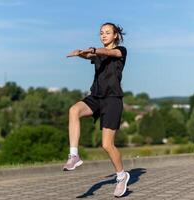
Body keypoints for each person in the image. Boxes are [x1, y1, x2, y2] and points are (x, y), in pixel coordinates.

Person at [64, 22, 130, 197]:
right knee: (73, 110)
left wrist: (92, 50)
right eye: (101, 33)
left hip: (112, 100)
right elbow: (90, 56)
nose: (103, 35)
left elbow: (108, 52)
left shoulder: (121, 51)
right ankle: (74, 155)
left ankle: (122, 176)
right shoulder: (97, 54)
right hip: (96, 97)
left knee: (107, 145)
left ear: (115, 35)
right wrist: (80, 54)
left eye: (107, 32)